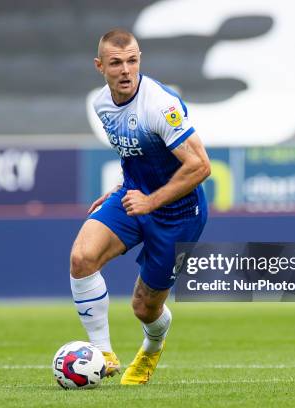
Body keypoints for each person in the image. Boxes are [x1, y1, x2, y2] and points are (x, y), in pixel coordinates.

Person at [69, 28, 210, 385]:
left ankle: (152, 346)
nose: (126, 70)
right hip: (134, 197)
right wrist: (124, 187)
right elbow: (136, 153)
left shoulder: (160, 104)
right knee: (82, 259)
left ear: (140, 61)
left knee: (144, 308)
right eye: (116, 63)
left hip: (178, 215)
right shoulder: (101, 104)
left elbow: (200, 166)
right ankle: (102, 353)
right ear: (100, 66)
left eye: (132, 61)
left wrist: (151, 200)